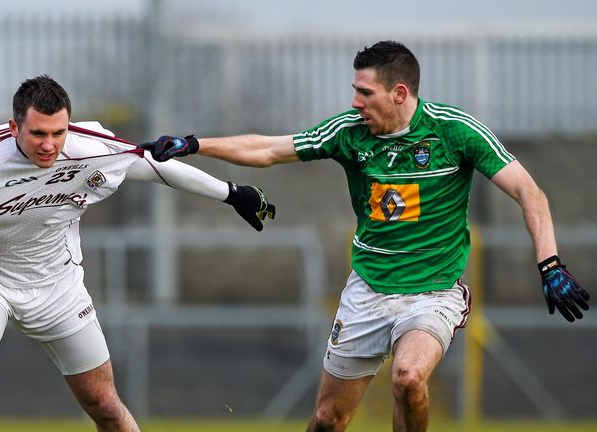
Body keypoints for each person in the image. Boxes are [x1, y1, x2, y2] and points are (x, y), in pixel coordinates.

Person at [139, 40, 589, 431]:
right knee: (330, 420)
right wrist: (195, 145)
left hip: (434, 292)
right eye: (354, 90)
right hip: (367, 291)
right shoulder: (349, 133)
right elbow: (269, 148)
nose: (355, 101)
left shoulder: (455, 131)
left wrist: (550, 264)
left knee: (408, 378)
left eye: (364, 92)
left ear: (399, 93)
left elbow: (530, 192)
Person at [0, 75, 275, 432]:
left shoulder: (91, 147)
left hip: (58, 285)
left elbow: (153, 166)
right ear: (14, 128)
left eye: (58, 132)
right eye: (38, 133)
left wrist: (232, 193)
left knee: (104, 404)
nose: (49, 144)